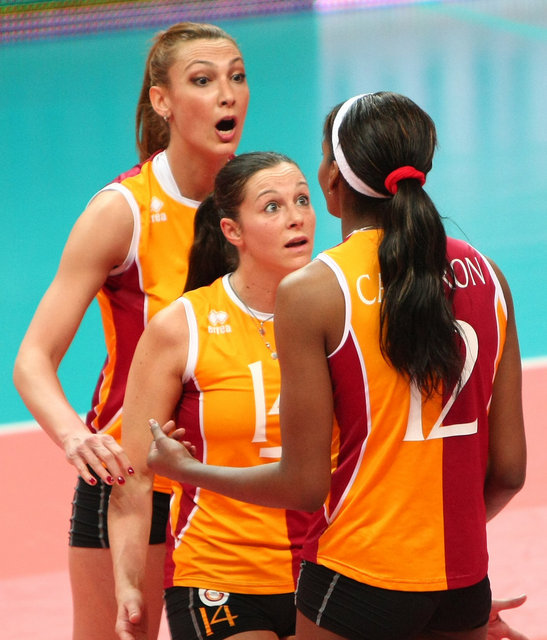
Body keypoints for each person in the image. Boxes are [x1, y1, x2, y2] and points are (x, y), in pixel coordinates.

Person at [147, 92, 527, 640]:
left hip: (358, 575)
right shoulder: (489, 278)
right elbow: (509, 471)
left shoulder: (317, 290)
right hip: (464, 584)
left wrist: (186, 470)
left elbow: (303, 485)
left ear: (331, 179)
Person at [12, 21, 249, 640]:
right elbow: (33, 359)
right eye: (203, 80)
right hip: (131, 485)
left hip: (234, 481)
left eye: (236, 76)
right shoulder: (123, 211)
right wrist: (76, 438)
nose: (227, 94)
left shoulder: (258, 202)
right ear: (162, 100)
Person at [108, 151, 316, 640]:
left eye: (303, 200)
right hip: (220, 573)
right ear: (231, 231)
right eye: (272, 206)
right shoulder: (182, 328)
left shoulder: (339, 309)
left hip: (329, 571)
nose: (296, 217)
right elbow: (133, 476)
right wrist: (129, 583)